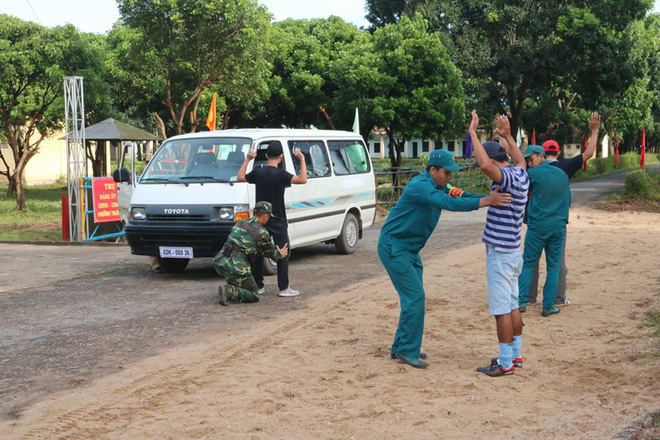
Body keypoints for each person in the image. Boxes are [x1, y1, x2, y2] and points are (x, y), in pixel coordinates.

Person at [379, 149, 512, 369]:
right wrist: (489, 200)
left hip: (409, 249)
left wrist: (488, 198)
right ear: (432, 170)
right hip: (395, 247)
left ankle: (401, 346)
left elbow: (462, 196)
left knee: (412, 298)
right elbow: (450, 204)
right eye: (446, 173)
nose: (450, 177)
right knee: (415, 298)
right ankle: (407, 350)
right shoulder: (420, 186)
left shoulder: (440, 185)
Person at [469, 111, 529, 377]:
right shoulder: (520, 175)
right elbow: (521, 160)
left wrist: (473, 133)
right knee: (513, 305)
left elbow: (485, 166)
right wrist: (508, 136)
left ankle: (505, 363)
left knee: (501, 310)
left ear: (495, 162)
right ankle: (514, 354)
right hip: (514, 252)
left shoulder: (504, 178)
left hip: (501, 255)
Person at [527, 112, 601, 307]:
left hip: (536, 221)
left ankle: (529, 297)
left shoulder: (534, 170)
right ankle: (557, 299)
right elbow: (588, 154)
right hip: (557, 221)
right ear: (558, 152)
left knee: (531, 261)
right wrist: (594, 131)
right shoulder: (566, 166)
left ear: (541, 154)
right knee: (556, 263)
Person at [237, 141, 307, 297]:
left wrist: (248, 159)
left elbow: (239, 177)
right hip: (278, 219)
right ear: (281, 157)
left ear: (267, 155)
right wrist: (301, 159)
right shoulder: (282, 175)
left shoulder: (257, 172)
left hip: (260, 219)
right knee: (282, 253)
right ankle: (283, 288)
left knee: (258, 253)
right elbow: (303, 179)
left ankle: (258, 285)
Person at [518, 144, 571, 317]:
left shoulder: (532, 174)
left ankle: (521, 302)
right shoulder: (563, 174)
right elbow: (568, 200)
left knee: (528, 263)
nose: (529, 164)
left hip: (538, 226)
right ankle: (548, 306)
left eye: (531, 159)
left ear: (541, 156)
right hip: (558, 226)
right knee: (553, 267)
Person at [214, 202, 288, 305]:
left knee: (239, 279)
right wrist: (281, 253)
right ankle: (229, 291)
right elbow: (271, 253)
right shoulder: (261, 232)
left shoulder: (240, 223)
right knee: (254, 295)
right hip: (237, 268)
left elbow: (249, 248)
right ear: (266, 216)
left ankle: (235, 284)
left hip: (221, 263)